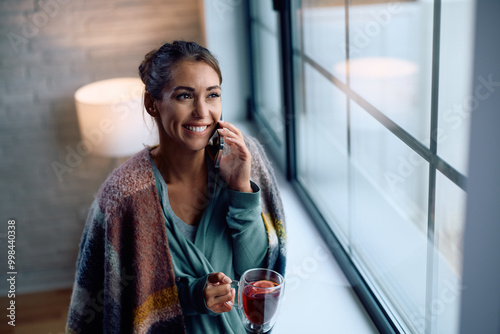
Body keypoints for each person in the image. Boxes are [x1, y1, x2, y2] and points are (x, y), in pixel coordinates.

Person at [66, 41, 286, 334]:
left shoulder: (245, 159)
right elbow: (121, 303)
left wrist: (241, 188)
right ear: (151, 103)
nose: (201, 112)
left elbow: (257, 273)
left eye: (213, 95)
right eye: (184, 96)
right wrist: (194, 296)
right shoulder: (124, 195)